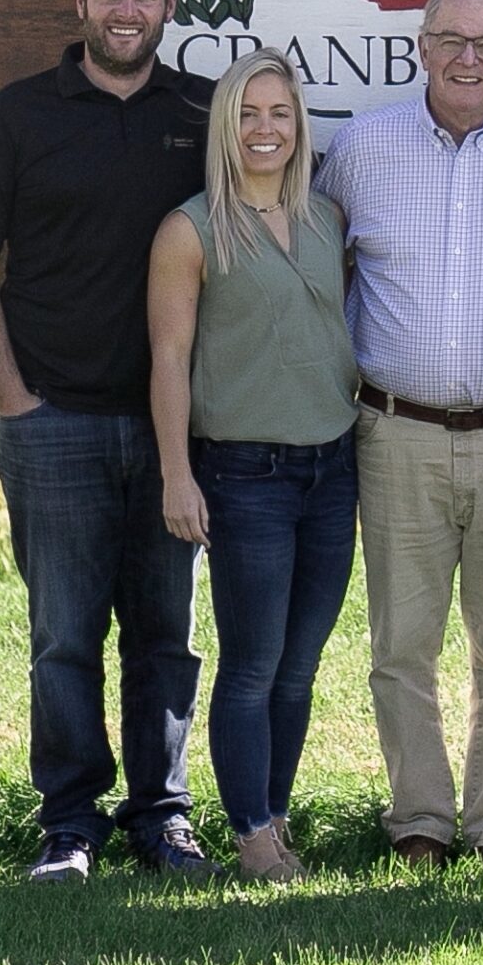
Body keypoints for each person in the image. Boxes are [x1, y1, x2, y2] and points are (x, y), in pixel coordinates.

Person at [0, 0, 218, 884]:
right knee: (63, 636)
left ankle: (164, 818)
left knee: (166, 635)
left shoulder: (204, 113)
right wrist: (12, 397)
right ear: (80, 1)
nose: (127, 10)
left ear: (168, 7)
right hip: (50, 418)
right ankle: (68, 825)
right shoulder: (21, 114)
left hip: (174, 431)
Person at [315, 0, 483, 880]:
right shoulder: (360, 149)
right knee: (402, 642)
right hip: (395, 433)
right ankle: (418, 820)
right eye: (453, 40)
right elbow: (314, 269)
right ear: (420, 46)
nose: (472, 59)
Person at [147, 50, 360, 883]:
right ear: (224, 127)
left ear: (299, 125)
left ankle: (274, 815)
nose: (264, 129)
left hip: (331, 467)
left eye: (279, 113)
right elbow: (169, 358)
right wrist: (177, 474)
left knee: (300, 665)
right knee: (252, 664)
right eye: (247, 114)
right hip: (244, 475)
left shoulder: (327, 218)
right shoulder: (191, 229)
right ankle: (250, 835)